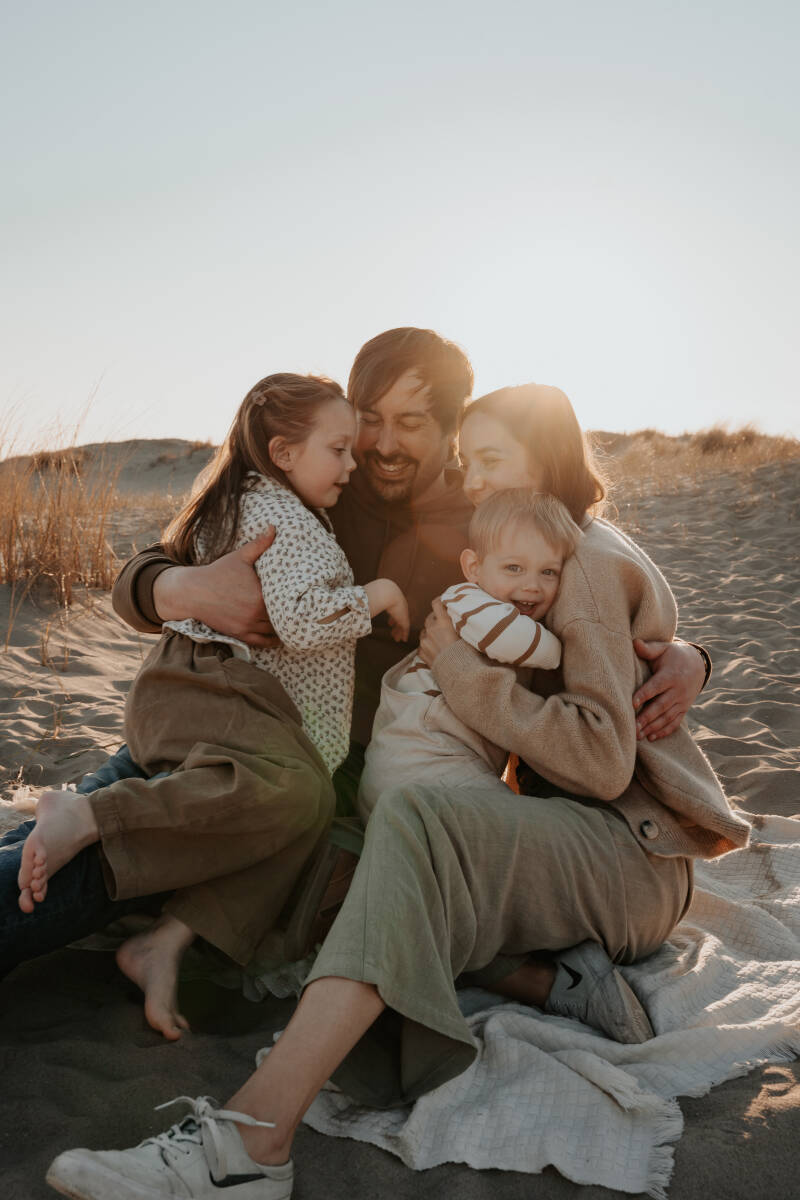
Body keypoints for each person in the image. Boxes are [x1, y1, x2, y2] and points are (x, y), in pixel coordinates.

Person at [44, 381, 751, 1200]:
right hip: (517, 824)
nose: (470, 479)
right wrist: (165, 587)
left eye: (488, 461)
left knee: (414, 823)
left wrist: (457, 670)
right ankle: (535, 976)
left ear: (544, 459)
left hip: (629, 855)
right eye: (466, 460)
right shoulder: (466, 526)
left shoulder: (581, 568)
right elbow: (171, 549)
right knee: (358, 853)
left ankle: (248, 1149)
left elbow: (599, 759)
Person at [0, 329, 706, 993]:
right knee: (48, 851)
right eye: (372, 417)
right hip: (218, 723)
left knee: (112, 870)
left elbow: (593, 593)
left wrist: (682, 655)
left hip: (340, 775)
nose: (384, 444)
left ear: (454, 427)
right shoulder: (323, 483)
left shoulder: (496, 524)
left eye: (414, 422)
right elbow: (150, 567)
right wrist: (180, 586)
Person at [15, 372, 410, 1038]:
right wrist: (384, 593)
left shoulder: (281, 500)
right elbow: (302, 620)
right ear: (284, 452)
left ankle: (165, 941)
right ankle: (88, 815)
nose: (356, 460)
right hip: (207, 690)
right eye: (340, 447)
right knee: (284, 792)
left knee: (302, 807)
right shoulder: (274, 508)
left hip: (254, 714)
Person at [357, 488, 580, 816]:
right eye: (514, 568)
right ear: (474, 567)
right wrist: (565, 645)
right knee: (515, 823)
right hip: (421, 761)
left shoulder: (494, 604)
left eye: (548, 572)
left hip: (428, 770)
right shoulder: (466, 602)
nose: (532, 585)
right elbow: (520, 642)